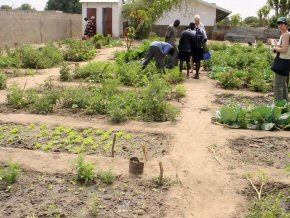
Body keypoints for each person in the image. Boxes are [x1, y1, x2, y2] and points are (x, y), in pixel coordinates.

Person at [271, 17, 290, 101]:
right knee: (283, 85)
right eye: (279, 24)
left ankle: (278, 107)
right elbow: (286, 47)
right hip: (285, 61)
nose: (280, 25)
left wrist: (275, 48)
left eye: (282, 24)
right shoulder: (286, 34)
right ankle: (285, 106)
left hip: (283, 62)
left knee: (278, 85)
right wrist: (277, 45)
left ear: (286, 25)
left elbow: (284, 50)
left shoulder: (285, 34)